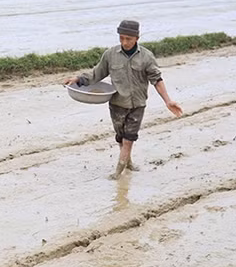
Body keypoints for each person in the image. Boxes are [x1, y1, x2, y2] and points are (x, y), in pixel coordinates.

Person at [65, 20, 183, 179]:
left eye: (128, 39)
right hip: (117, 104)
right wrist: (78, 79)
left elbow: (157, 79)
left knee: (129, 139)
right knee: (121, 138)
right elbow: (96, 74)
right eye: (121, 38)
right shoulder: (110, 55)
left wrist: (168, 101)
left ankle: (118, 172)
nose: (125, 42)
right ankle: (128, 162)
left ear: (137, 38)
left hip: (137, 105)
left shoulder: (146, 57)